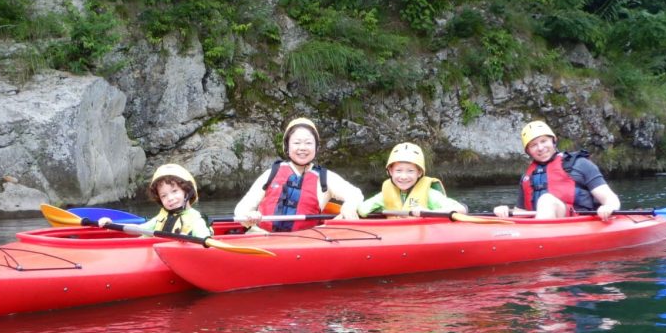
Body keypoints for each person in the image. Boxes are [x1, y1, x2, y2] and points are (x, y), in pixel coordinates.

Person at [234, 117, 363, 232]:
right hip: (262, 238)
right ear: (287, 147)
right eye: (296, 143)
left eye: (308, 143)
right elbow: (241, 210)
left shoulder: (325, 177)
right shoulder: (271, 173)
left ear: (316, 147)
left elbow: (355, 194)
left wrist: (349, 207)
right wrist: (249, 216)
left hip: (306, 241)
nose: (302, 148)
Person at [493, 120, 620, 221]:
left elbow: (610, 198)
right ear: (528, 151)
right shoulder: (527, 177)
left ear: (553, 141)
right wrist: (506, 211)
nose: (540, 148)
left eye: (544, 141)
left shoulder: (580, 164)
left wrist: (608, 207)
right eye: (533, 145)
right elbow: (521, 212)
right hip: (541, 224)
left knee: (546, 200)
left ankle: (537, 244)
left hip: (577, 221)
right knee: (544, 201)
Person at [358, 142, 467, 217]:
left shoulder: (430, 194)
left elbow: (461, 209)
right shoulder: (385, 195)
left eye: (410, 171)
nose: (404, 176)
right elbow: (362, 210)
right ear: (390, 171)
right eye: (398, 171)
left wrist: (427, 212)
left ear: (419, 172)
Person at [130, 163, 210, 237]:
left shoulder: (196, 220)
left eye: (174, 191)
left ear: (187, 190)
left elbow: (205, 240)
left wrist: (189, 240)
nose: (170, 198)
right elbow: (140, 229)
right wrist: (123, 226)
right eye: (163, 196)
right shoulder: (162, 216)